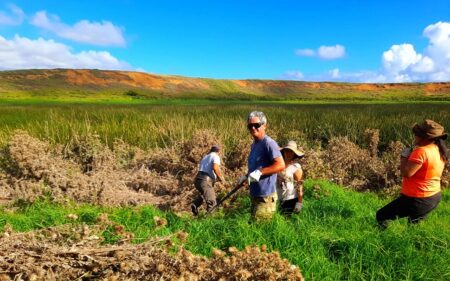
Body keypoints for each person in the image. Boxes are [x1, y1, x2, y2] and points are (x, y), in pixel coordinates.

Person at [376, 119, 447, 228]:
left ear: (424, 137)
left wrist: (404, 156)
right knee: (414, 228)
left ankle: (383, 240)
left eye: (416, 134)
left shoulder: (421, 151)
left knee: (382, 215)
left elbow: (406, 173)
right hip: (433, 196)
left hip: (417, 199)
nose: (414, 136)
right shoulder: (438, 150)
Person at [237, 111, 285, 221]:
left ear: (264, 126)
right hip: (255, 195)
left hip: (265, 197)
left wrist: (259, 172)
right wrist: (246, 177)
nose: (253, 128)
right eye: (250, 126)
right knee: (254, 227)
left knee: (261, 231)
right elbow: (256, 167)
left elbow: (280, 165)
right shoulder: (254, 145)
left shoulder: (269, 143)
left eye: (256, 125)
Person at [191, 145, 224, 215]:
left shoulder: (205, 157)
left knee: (205, 195)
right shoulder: (215, 156)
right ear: (218, 151)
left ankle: (195, 204)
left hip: (198, 180)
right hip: (205, 181)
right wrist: (220, 178)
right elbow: (215, 168)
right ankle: (209, 220)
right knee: (212, 201)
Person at [277, 141, 305, 215]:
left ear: (294, 154)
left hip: (290, 199)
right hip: (278, 198)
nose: (288, 154)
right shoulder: (278, 165)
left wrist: (299, 202)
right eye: (287, 151)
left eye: (291, 152)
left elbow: (300, 185)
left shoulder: (296, 167)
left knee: (286, 223)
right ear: (284, 152)